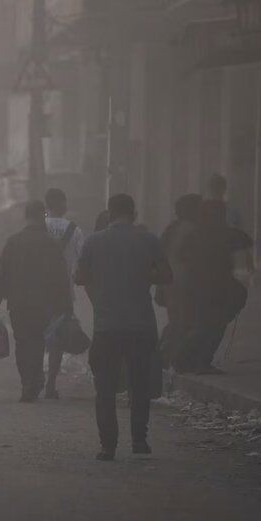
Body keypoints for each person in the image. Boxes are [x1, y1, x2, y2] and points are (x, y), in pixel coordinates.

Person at [75, 194, 173, 461]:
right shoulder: (148, 240)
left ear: (109, 212)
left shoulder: (94, 241)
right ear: (134, 212)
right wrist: (143, 275)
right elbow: (167, 275)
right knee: (139, 385)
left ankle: (108, 445)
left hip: (106, 327)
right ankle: (139, 440)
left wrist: (102, 282)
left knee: (105, 387)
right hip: (141, 325)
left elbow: (79, 277)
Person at [0, 200, 73, 402]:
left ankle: (28, 382)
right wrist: (66, 308)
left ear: (25, 216)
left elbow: (1, 275)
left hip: (18, 304)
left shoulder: (13, 242)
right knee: (37, 341)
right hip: (43, 304)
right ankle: (34, 381)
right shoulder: (52, 244)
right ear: (43, 215)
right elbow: (61, 278)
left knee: (22, 342)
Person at [179, 199, 253, 375]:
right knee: (212, 326)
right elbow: (245, 240)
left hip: (199, 287)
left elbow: (181, 254)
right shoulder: (224, 234)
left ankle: (191, 359)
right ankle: (194, 359)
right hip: (218, 288)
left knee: (204, 325)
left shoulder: (195, 235)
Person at [43, 187, 86, 399]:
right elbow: (83, 261)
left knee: (35, 336)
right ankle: (50, 384)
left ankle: (32, 380)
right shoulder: (74, 230)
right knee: (57, 340)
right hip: (63, 293)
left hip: (36, 292)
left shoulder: (37, 227)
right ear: (61, 203)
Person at [157, 194, 202, 373]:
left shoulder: (172, 228)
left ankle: (165, 355)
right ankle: (176, 359)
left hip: (170, 281)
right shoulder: (193, 230)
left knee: (176, 320)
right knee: (184, 321)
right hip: (185, 282)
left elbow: (159, 253)